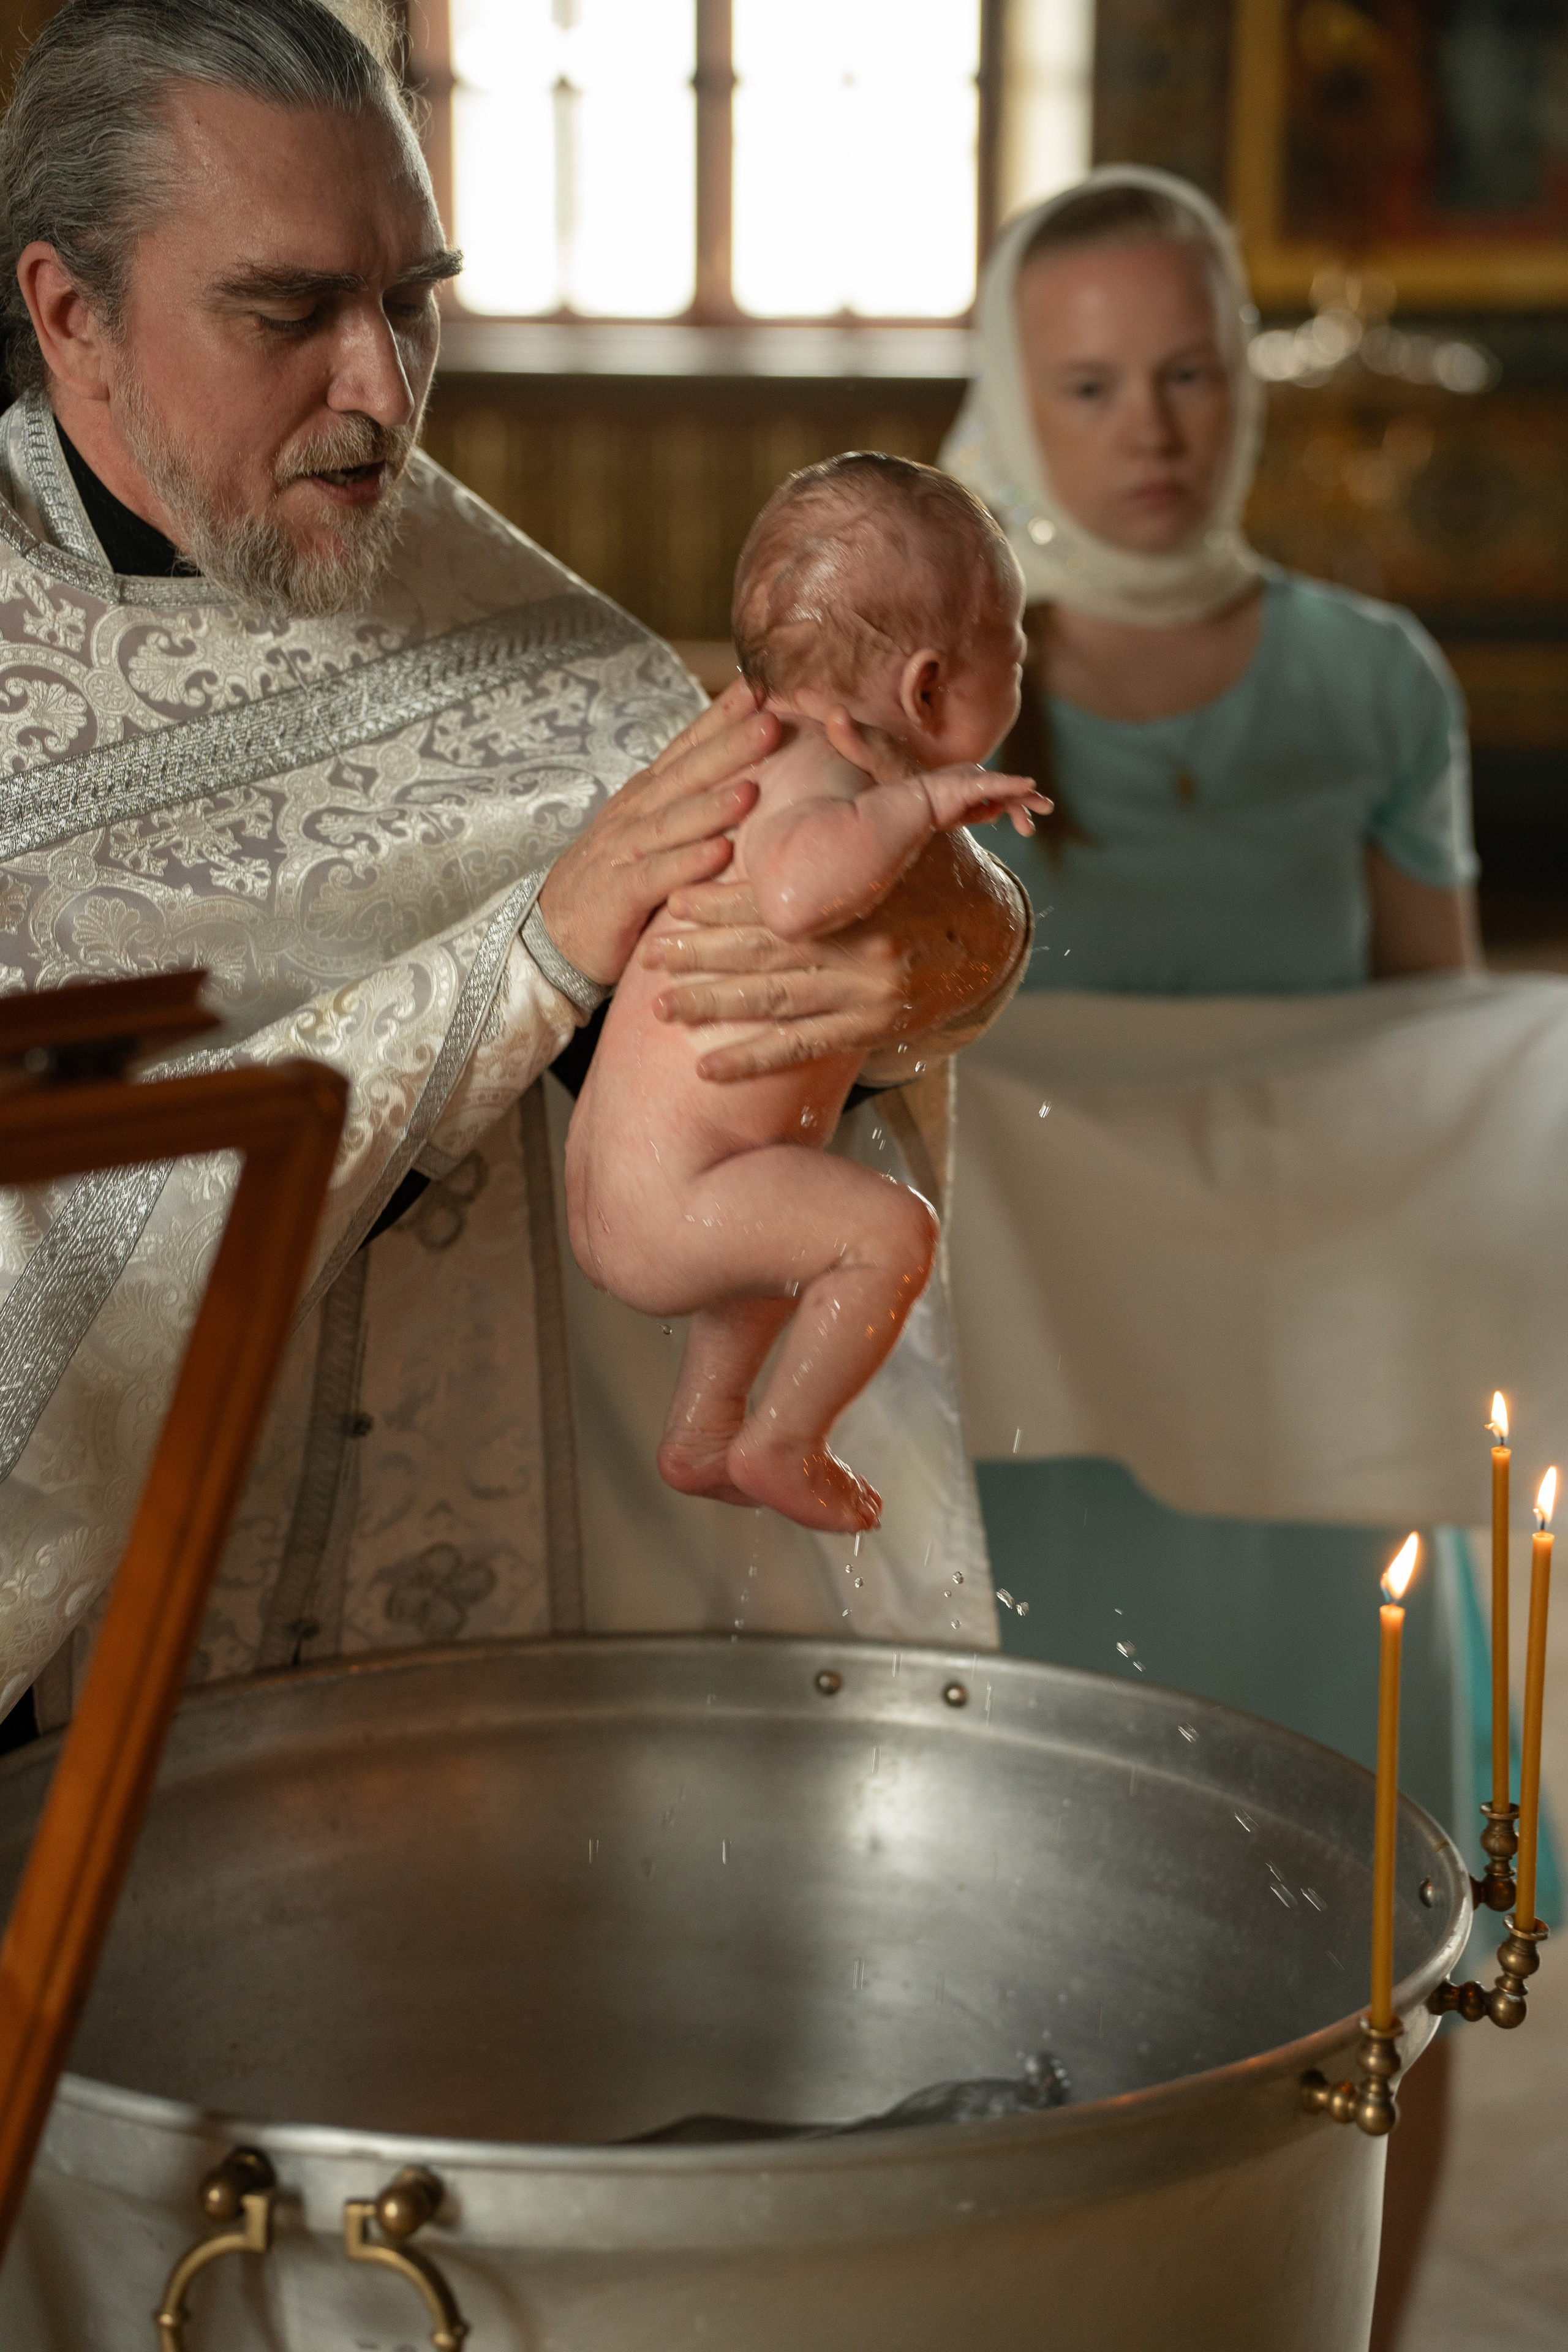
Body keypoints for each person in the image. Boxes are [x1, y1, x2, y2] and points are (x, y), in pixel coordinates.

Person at [0, 0, 1031, 1729]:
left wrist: (929, 961)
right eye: (291, 311)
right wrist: (532, 955)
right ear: (70, 313)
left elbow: (892, 928)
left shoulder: (504, 614)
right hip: (92, 1718)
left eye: (413, 300)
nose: (385, 392)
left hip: (494, 1633)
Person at [940, 164, 1504, 2343]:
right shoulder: (953, 668)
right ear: (1017, 395)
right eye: (1091, 384)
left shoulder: (1375, 681)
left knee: (1380, 1943)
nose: (1151, 426)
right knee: (1050, 1939)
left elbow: (1432, 1072)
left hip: (1313, 1425)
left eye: (1190, 371)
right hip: (1051, 1421)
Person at [568, 454, 1043, 1533]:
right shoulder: (824, 777)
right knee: (888, 1236)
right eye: (1012, 654)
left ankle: (707, 1429)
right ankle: (785, 1440)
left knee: (787, 1240)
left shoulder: (774, 741)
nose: (1024, 675)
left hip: (668, 1187)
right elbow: (792, 890)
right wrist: (922, 805)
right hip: (669, 1201)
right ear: (927, 688)